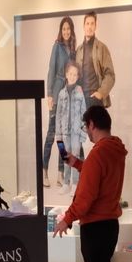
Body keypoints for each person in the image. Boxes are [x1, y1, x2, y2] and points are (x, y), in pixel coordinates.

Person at [53, 104, 128, 262]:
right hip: (110, 224)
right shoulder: (114, 150)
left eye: (86, 126)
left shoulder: (98, 153)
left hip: (95, 227)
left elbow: (86, 196)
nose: (87, 130)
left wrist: (67, 218)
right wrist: (76, 162)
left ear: (92, 125)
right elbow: (98, 176)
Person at [43, 15, 76, 158]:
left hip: (68, 95)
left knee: (63, 136)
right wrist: (49, 94)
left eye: (68, 29)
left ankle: (61, 173)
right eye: (64, 29)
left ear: (71, 30)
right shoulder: (57, 46)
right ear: (61, 30)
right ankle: (43, 169)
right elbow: (51, 69)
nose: (66, 31)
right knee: (52, 133)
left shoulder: (73, 49)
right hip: (57, 93)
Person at [49, 60, 87, 190]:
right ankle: (66, 183)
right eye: (70, 74)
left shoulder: (80, 92)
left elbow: (84, 113)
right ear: (66, 74)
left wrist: (83, 133)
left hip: (76, 133)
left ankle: (75, 184)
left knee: (75, 157)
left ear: (77, 77)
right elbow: (58, 115)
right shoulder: (61, 94)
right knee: (65, 157)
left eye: (75, 75)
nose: (72, 77)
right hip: (64, 133)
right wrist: (58, 136)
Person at [75, 12, 116, 108]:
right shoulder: (78, 50)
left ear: (96, 26)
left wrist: (101, 93)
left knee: (96, 123)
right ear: (83, 26)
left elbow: (110, 74)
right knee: (82, 123)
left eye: (92, 24)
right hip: (81, 99)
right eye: (87, 23)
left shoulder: (102, 48)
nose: (89, 27)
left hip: (96, 98)